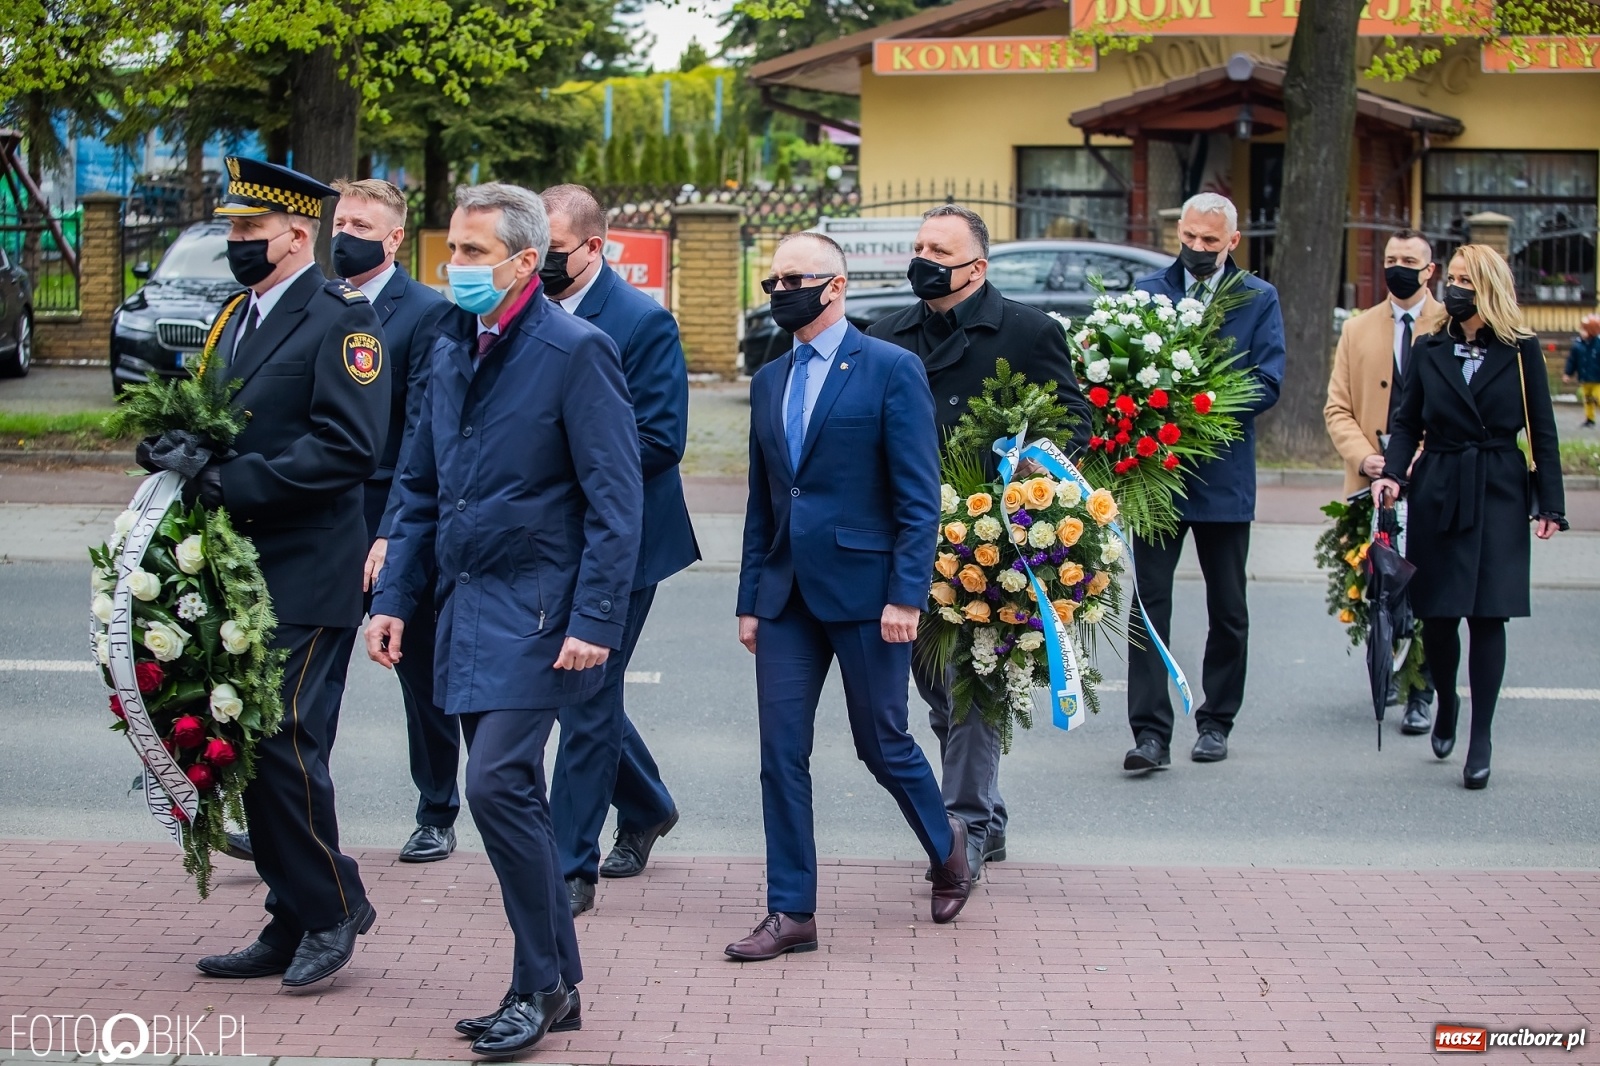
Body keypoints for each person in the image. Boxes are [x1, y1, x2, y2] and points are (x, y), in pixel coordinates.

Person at [369, 183, 642, 1055]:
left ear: (528, 261)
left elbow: (615, 502)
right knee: (510, 791)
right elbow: (416, 486)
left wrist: (595, 617)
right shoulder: (448, 345)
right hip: (461, 604)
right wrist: (392, 598)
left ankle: (539, 982)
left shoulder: (577, 351)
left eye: (474, 253)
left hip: (539, 607)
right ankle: (554, 982)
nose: (455, 268)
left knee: (492, 783)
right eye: (451, 251)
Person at [727, 231, 971, 963]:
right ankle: (790, 909)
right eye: (773, 282)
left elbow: (917, 496)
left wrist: (906, 594)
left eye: (793, 279)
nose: (778, 292)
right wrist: (749, 597)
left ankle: (947, 846)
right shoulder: (771, 377)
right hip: (784, 597)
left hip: (869, 595)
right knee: (780, 754)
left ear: (835, 286)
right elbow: (763, 501)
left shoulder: (891, 369)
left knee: (881, 743)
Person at [184, 157, 389, 988]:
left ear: (296, 235)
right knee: (247, 744)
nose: (235, 243)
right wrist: (181, 450)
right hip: (239, 572)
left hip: (308, 570)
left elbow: (349, 446)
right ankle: (290, 914)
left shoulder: (342, 320)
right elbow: (227, 418)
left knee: (281, 744)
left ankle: (335, 904)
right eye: (233, 228)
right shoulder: (240, 313)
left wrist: (234, 481)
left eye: (247, 231)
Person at [866, 204, 1091, 882]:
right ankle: (983, 810)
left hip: (987, 539)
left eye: (940, 249)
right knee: (935, 682)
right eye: (919, 246)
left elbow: (1073, 416)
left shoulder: (1027, 331)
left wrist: (1032, 467)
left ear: (976, 267)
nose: (924, 259)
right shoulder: (885, 333)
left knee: (970, 681)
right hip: (906, 534)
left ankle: (963, 823)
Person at [539, 184, 700, 916]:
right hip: (543, 539)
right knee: (579, 692)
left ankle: (570, 864)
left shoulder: (642, 323)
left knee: (583, 690)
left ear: (594, 248)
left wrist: (550, 457)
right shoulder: (521, 314)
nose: (534, 263)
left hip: (626, 541)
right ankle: (647, 803)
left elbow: (662, 439)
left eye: (549, 251)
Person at [1373, 244, 1567, 790]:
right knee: (1439, 615)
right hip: (1439, 485)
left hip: (1501, 487)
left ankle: (1480, 736)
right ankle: (1447, 703)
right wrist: (1392, 472)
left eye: (1466, 281)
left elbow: (1543, 430)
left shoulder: (1522, 350)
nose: (1454, 289)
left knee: (1489, 615)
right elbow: (1407, 421)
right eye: (1452, 278)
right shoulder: (1430, 347)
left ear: (1490, 290)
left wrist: (1550, 503)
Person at [1123, 192, 1285, 773]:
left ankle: (1216, 722)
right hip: (1156, 476)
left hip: (1223, 476)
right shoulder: (1147, 291)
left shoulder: (1258, 299)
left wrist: (1200, 406)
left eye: (1209, 242)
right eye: (1189, 238)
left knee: (1229, 607)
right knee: (1148, 604)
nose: (1196, 248)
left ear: (1232, 243)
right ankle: (1150, 733)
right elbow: (1119, 369)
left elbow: (1268, 380)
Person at [1323, 229, 1448, 736]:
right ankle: (1389, 668)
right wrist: (1369, 458)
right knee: (1381, 585)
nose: (1398, 266)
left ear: (1429, 270)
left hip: (1432, 477)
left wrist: (1417, 456)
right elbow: (1337, 408)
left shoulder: (1450, 324)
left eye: (1409, 260)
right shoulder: (1357, 328)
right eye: (1391, 258)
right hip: (1370, 482)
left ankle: (1423, 688)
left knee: (1428, 585)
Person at [1564, 314, 1600, 427]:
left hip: (1598, 379)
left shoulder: (1598, 345)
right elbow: (1572, 361)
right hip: (1585, 379)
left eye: (1584, 329)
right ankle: (1590, 419)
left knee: (1597, 398)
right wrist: (1568, 373)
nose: (1581, 332)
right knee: (1588, 400)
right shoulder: (1578, 345)